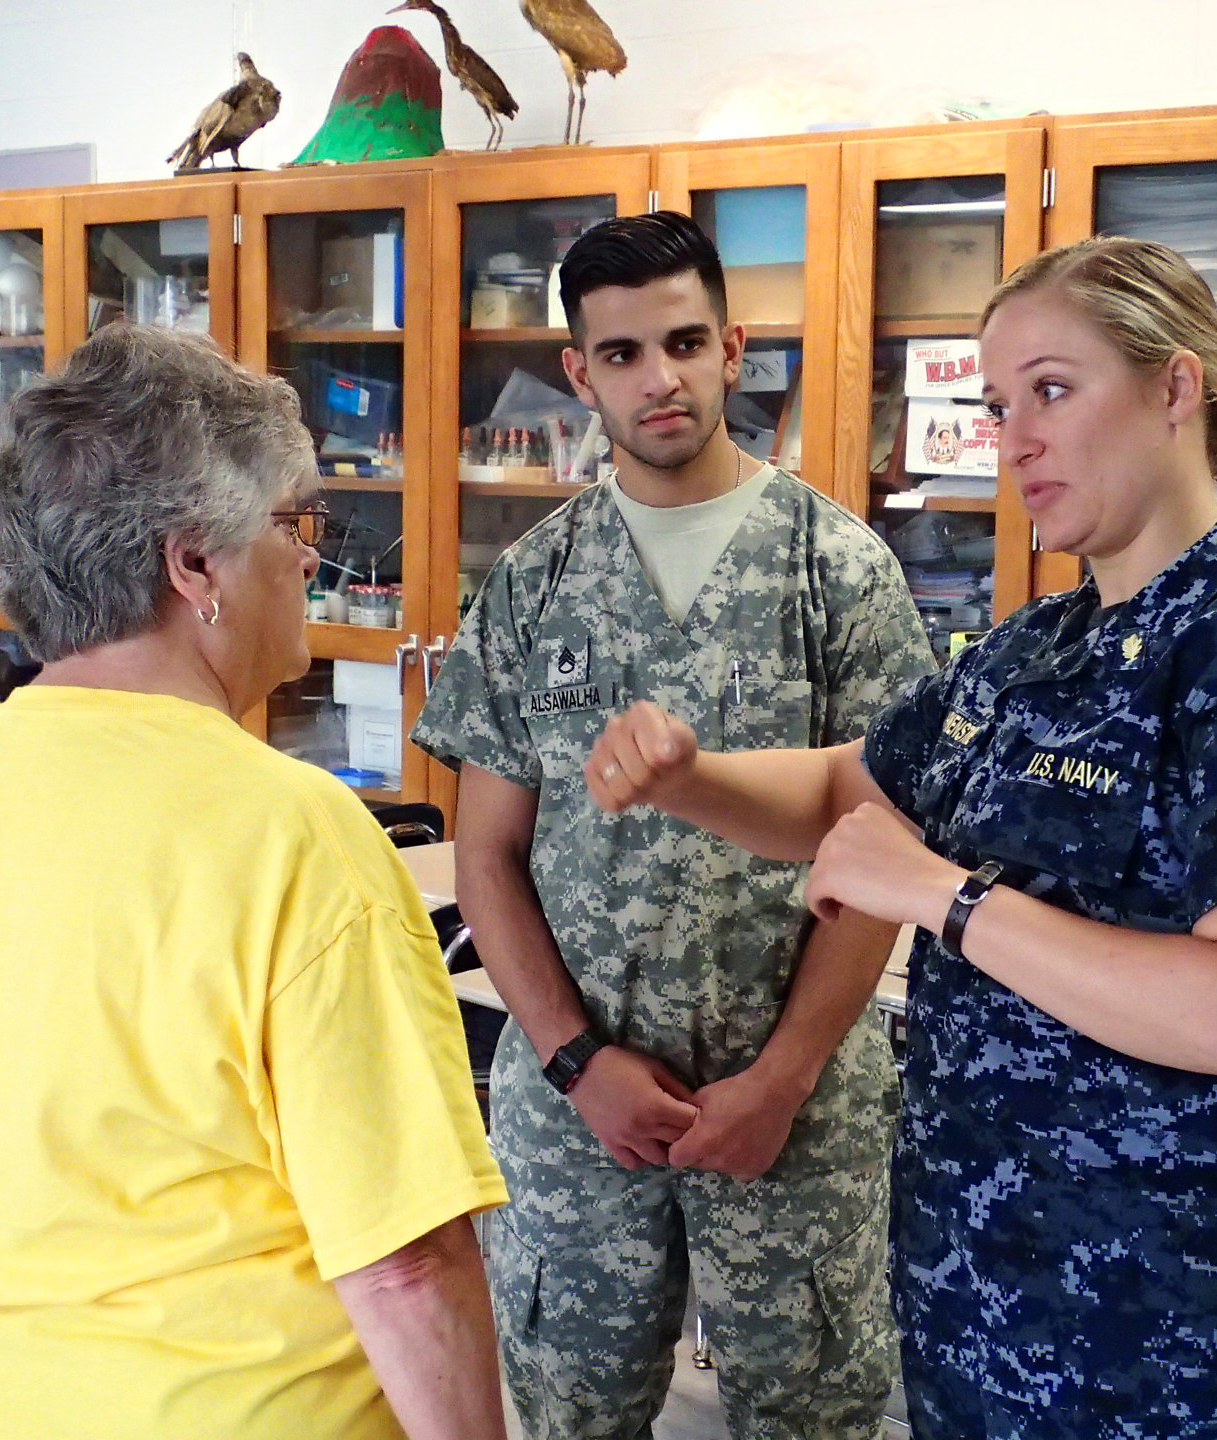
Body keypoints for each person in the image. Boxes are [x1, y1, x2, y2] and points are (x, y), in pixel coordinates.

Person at [585, 236, 1217, 1440]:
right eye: (996, 403)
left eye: (1053, 390)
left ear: (1175, 389)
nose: (1013, 436)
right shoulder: (1038, 648)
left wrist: (946, 896)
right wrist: (684, 778)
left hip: (1168, 1352)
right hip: (979, 1315)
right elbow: (840, 790)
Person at [0, 325, 509, 1440]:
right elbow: (405, 1264)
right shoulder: (296, 840)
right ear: (195, 565)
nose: (311, 558)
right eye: (296, 521)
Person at [411, 210, 936, 1439]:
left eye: (686, 343)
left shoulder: (838, 571)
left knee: (813, 1415)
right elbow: (485, 858)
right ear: (581, 372)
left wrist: (782, 1078)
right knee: (566, 1411)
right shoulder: (532, 583)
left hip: (796, 1112)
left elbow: (880, 854)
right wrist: (577, 1062)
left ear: (734, 349)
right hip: (578, 1110)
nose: (662, 378)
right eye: (626, 354)